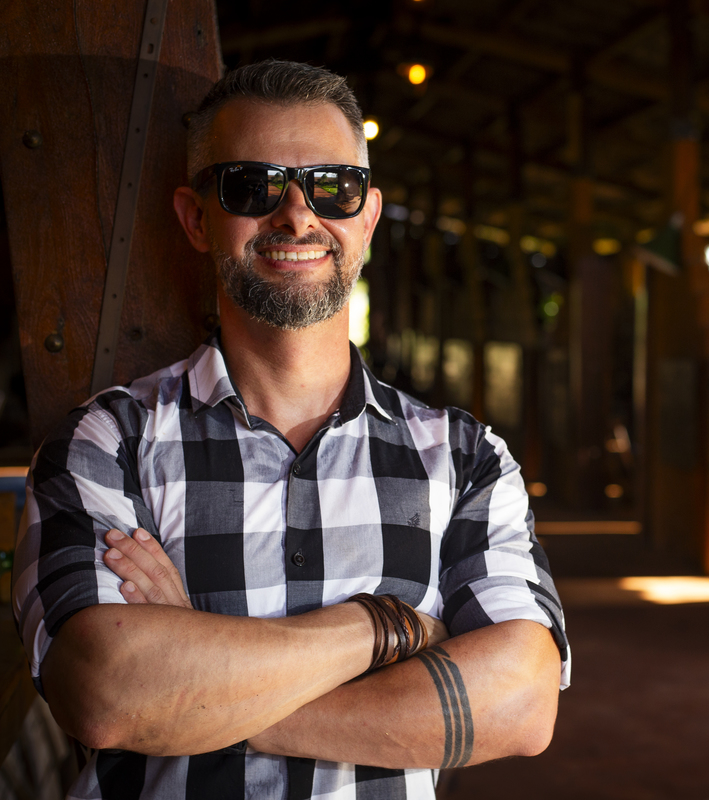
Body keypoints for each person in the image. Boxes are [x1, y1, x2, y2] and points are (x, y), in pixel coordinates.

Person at [12, 60, 569, 799]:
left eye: (332, 186)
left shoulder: (465, 459)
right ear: (196, 217)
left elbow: (522, 707)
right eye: (253, 186)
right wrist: (382, 630)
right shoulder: (105, 443)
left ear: (367, 217)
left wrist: (195, 691)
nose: (299, 216)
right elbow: (107, 694)